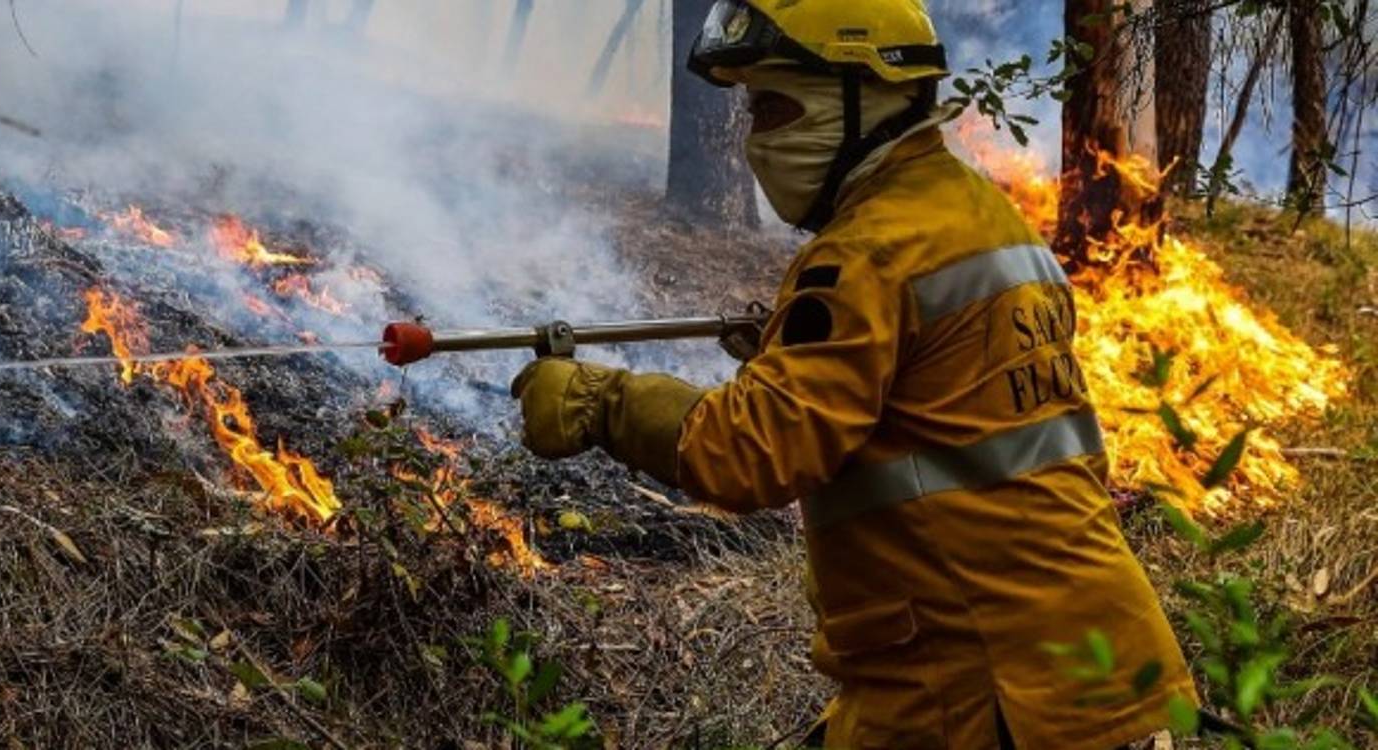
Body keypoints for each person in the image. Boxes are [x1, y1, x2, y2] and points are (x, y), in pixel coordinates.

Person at [511, 1, 1198, 746]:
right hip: (1105, 669)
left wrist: (599, 400)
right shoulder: (984, 218)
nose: (755, 139)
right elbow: (946, 405)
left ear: (859, 97)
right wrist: (794, 358)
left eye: (773, 107)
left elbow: (748, 453)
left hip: (992, 696)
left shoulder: (868, 252)